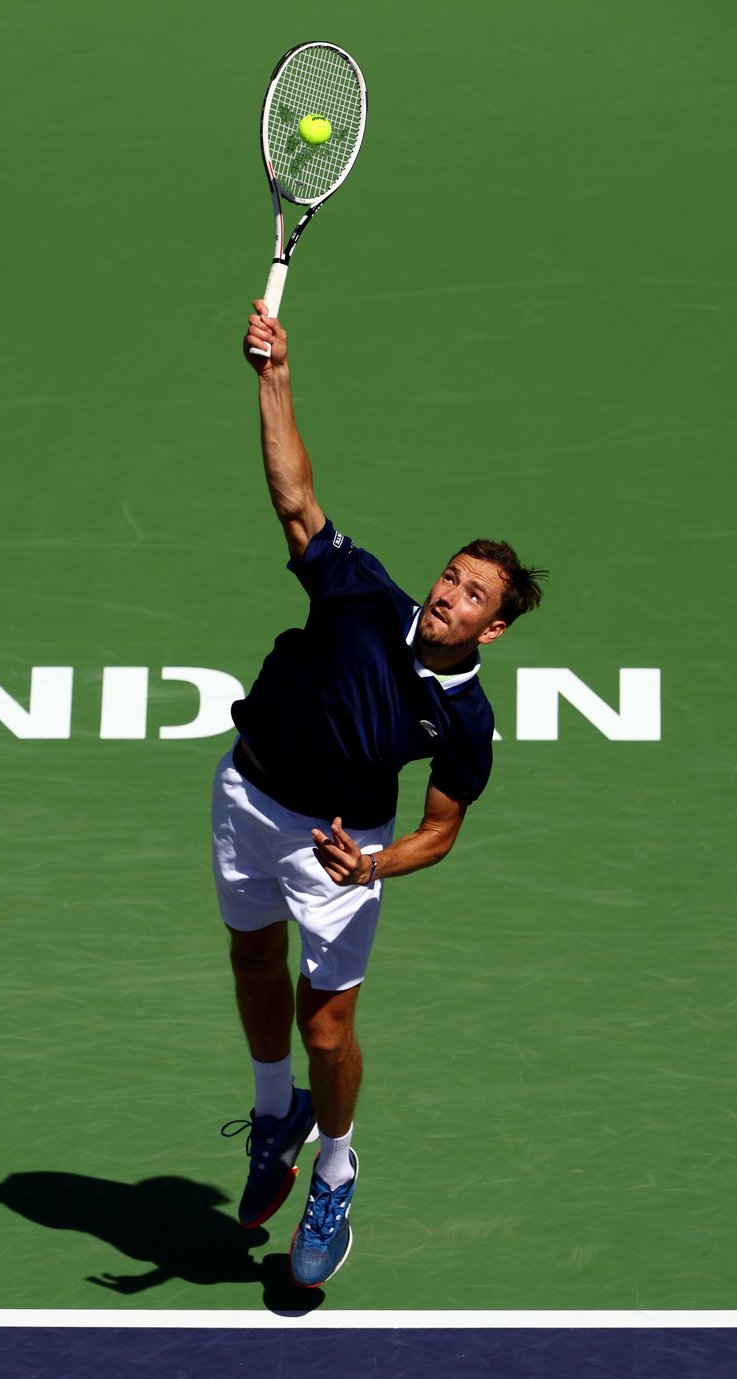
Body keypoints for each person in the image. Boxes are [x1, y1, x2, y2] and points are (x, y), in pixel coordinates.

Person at [214, 300, 546, 1289]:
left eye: (470, 594)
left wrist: (373, 861)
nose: (448, 592)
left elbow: (440, 833)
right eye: (449, 575)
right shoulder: (360, 593)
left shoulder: (467, 724)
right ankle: (275, 1114)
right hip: (247, 795)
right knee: (248, 960)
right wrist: (273, 376)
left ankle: (338, 1165)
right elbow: (295, 498)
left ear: (489, 630)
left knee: (329, 1027)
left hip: (338, 844)